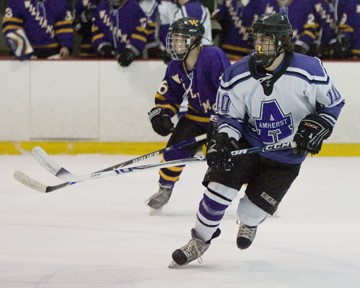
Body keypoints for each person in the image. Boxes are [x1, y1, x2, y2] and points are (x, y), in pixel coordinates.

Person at [169, 12, 345, 267]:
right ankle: (199, 240)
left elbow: (333, 104)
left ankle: (249, 223)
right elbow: (228, 116)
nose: (260, 46)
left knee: (249, 212)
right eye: (257, 39)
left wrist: (318, 124)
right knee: (219, 189)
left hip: (286, 155)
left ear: (283, 41)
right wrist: (224, 141)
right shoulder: (236, 74)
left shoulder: (309, 69)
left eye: (268, 40)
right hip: (247, 144)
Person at [146, 17, 231, 212]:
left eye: (179, 38)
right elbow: (169, 96)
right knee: (173, 151)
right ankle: (165, 188)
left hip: (224, 119)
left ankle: (252, 192)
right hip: (196, 117)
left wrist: (220, 120)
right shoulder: (175, 66)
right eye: (173, 38)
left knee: (230, 158)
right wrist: (163, 113)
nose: (174, 43)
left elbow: (229, 92)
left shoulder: (212, 56)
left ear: (194, 40)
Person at [2, 0, 74, 59]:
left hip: (53, 53)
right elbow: (11, 26)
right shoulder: (17, 2)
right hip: (26, 55)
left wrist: (65, 46)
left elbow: (64, 25)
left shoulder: (58, 2)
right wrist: (20, 49)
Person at [91, 0, 149, 66]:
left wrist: (132, 50)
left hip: (134, 62)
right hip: (107, 63)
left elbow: (143, 29)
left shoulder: (134, 7)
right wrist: (103, 46)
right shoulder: (101, 8)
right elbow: (96, 30)